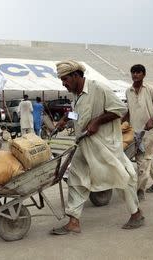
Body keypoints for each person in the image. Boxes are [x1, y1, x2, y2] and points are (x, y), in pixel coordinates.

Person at [51, 60, 144, 235]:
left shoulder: (98, 88)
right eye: (62, 80)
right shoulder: (76, 95)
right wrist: (65, 119)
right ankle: (73, 221)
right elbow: (78, 113)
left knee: (119, 178)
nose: (63, 84)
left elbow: (119, 109)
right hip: (84, 144)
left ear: (76, 75)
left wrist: (97, 121)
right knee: (75, 178)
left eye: (65, 79)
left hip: (103, 145)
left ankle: (136, 214)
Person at [123, 64, 153, 200]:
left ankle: (140, 190)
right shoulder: (128, 91)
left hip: (149, 132)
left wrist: (152, 120)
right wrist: (120, 123)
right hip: (135, 132)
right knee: (149, 159)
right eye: (133, 72)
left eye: (138, 72)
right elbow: (129, 111)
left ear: (143, 74)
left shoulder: (151, 89)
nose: (135, 75)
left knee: (144, 161)